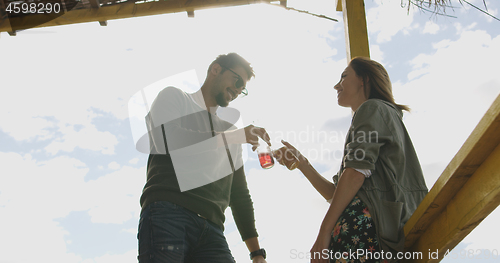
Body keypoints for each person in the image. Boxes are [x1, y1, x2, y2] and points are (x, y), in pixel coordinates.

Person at [275, 57, 428, 263]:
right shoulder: (377, 115)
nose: (336, 85)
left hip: (364, 237)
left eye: (344, 76)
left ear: (364, 79)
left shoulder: (372, 108)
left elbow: (355, 173)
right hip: (369, 238)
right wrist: (303, 164)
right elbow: (337, 193)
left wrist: (323, 234)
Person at [137, 53, 270, 263]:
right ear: (215, 69)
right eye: (237, 81)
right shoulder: (174, 97)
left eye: (242, 88)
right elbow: (169, 139)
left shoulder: (231, 132)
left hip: (213, 231)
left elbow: (239, 194)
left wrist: (256, 254)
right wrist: (235, 136)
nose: (237, 90)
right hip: (167, 213)